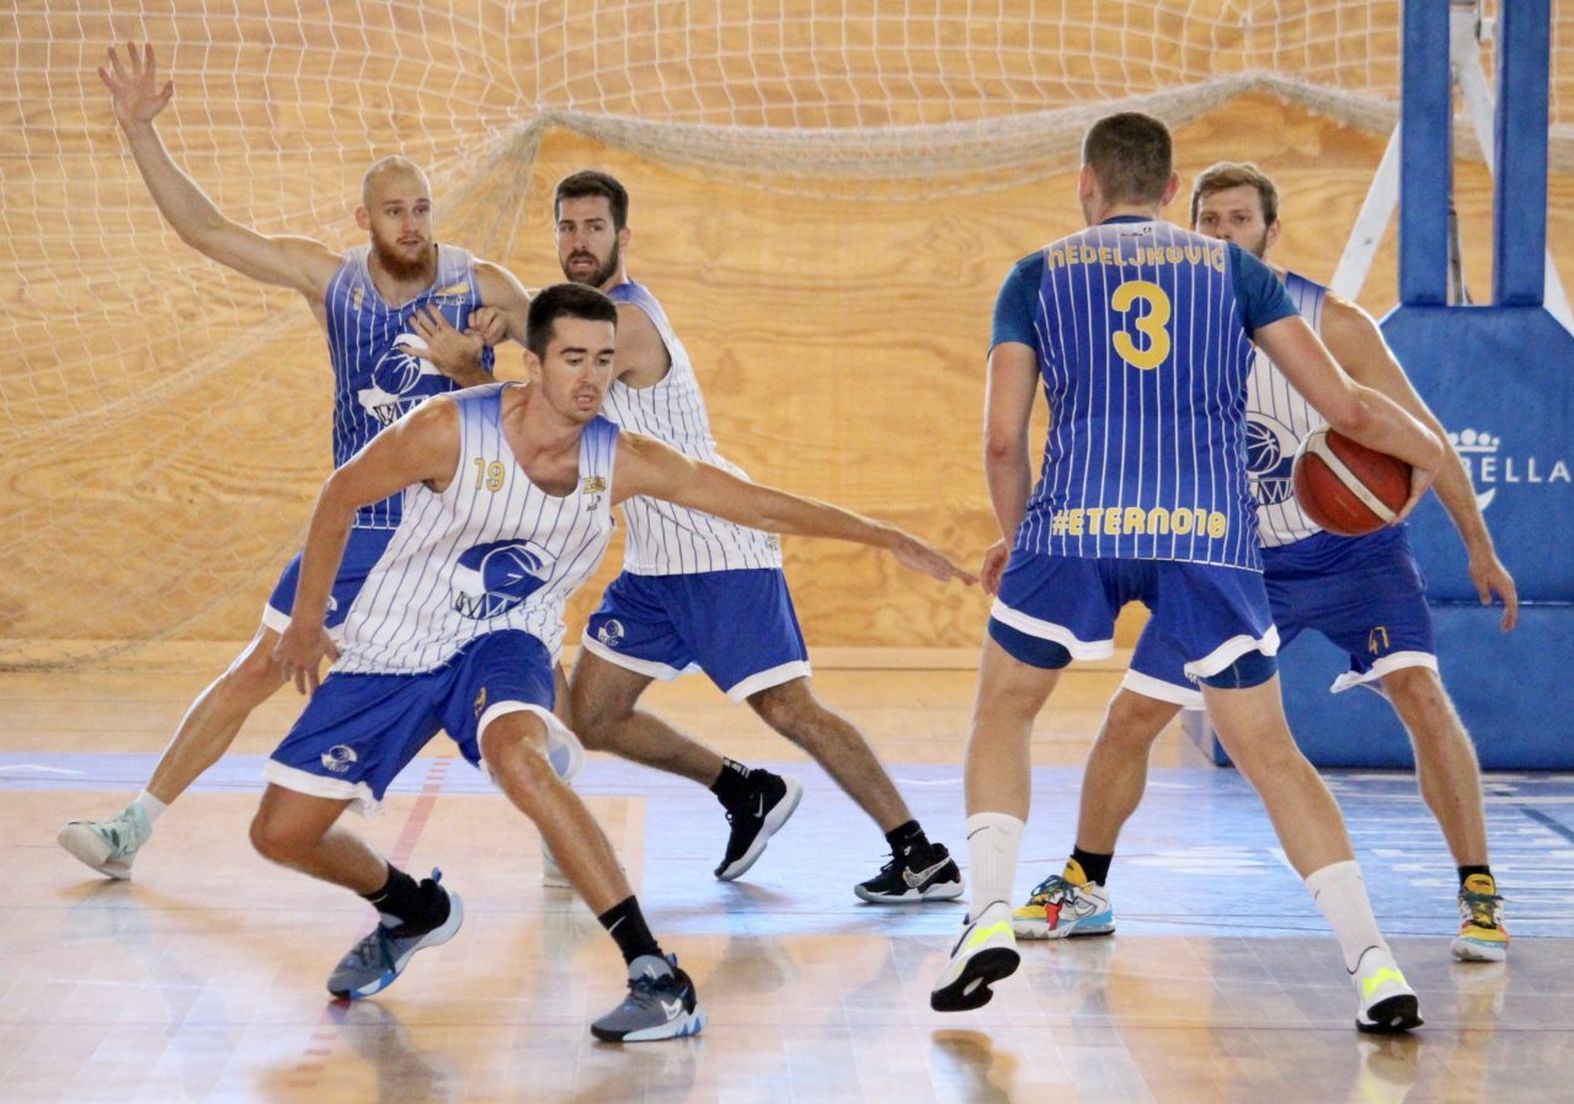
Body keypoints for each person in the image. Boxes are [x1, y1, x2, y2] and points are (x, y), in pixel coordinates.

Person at [257, 283, 973, 1039]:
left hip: (504, 640)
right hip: (395, 644)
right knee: (280, 834)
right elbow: (341, 494)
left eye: (603, 359)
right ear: (531, 363)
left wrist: (880, 534)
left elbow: (753, 503)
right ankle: (411, 908)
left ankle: (654, 974)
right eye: (572, 358)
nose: (591, 377)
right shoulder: (447, 431)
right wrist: (306, 621)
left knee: (522, 759)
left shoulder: (621, 457)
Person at [929, 114, 1444, 1034]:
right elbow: (1345, 405)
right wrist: (1431, 456)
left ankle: (988, 914)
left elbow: (1003, 438)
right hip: (1207, 532)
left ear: (1087, 184)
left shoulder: (1036, 273)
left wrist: (1023, 540)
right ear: (1174, 193)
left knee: (1005, 708)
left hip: (1074, 522)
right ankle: (1375, 967)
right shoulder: (1234, 270)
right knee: (1271, 753)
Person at [1013, 162, 1517, 964]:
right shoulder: (1170, 323)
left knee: (1419, 692)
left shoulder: (1334, 323)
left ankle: (1479, 892)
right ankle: (1083, 884)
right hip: (1238, 563)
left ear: (1271, 233)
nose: (1221, 235)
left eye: (1239, 220)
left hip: (1357, 558)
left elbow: (1421, 432)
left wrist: (1479, 546)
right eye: (1208, 221)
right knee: (1132, 716)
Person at [57, 43, 531, 879]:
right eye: (394, 211)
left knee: (502, 693)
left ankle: (563, 835)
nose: (412, 223)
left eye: (422, 207)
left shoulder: (479, 286)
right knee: (259, 669)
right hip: (361, 527)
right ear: (365, 221)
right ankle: (132, 827)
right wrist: (141, 136)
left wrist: (472, 364)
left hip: (454, 532)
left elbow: (567, 363)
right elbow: (208, 231)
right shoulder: (331, 282)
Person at [550, 170, 966, 901]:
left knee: (789, 709)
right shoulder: (582, 331)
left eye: (593, 227)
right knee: (593, 714)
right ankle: (745, 791)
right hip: (654, 565)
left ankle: (921, 855)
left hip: (718, 550)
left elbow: (540, 337)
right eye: (567, 227)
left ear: (623, 237)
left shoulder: (627, 320)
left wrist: (878, 535)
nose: (579, 241)